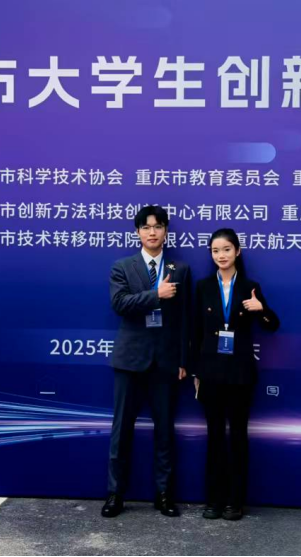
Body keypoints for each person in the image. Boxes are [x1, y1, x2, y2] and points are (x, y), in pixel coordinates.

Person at [102, 205, 191, 518]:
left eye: (158, 226)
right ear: (137, 232)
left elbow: (185, 318)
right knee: (121, 430)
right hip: (130, 360)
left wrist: (183, 359)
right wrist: (156, 294)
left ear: (166, 230)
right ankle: (115, 494)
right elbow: (119, 304)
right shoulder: (122, 267)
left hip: (165, 362)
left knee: (164, 430)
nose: (152, 232)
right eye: (146, 227)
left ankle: (164, 494)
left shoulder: (180, 269)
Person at [191, 228, 279, 521]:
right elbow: (195, 332)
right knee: (214, 436)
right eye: (215, 251)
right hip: (211, 373)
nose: (221, 255)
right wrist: (196, 370)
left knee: (238, 437)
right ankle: (213, 500)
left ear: (237, 251)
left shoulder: (250, 287)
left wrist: (261, 308)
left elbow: (272, 325)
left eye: (227, 249)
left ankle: (235, 501)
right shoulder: (203, 287)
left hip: (240, 374)